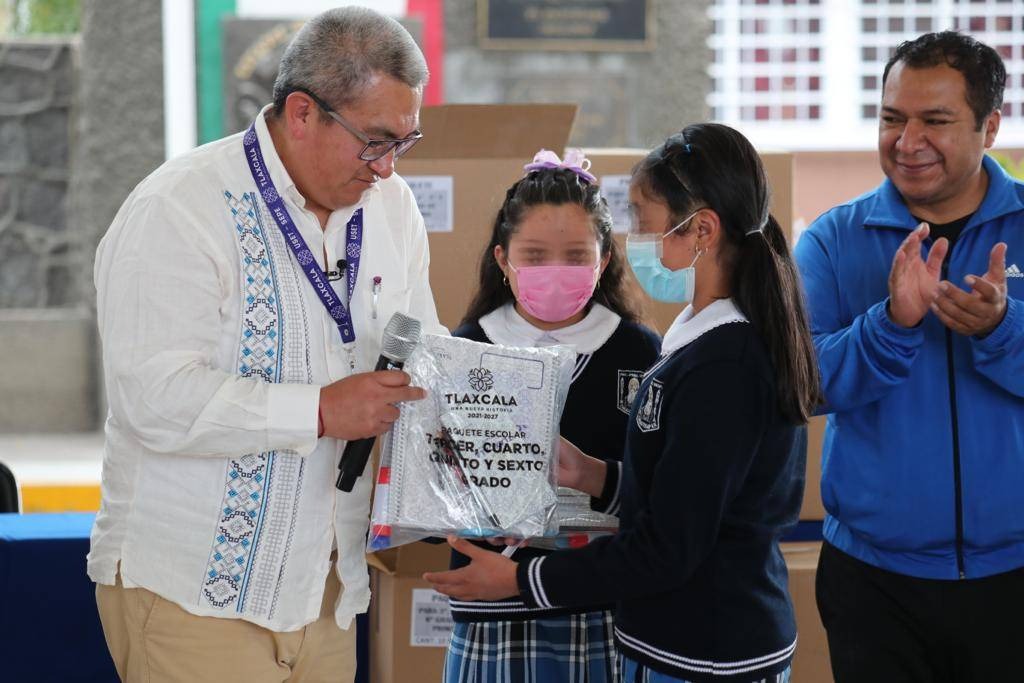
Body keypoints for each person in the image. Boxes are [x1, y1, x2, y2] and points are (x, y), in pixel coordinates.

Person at [89, 7, 443, 681]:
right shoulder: (181, 206)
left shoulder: (392, 209)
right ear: (303, 112)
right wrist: (317, 409)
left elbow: (422, 348)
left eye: (405, 141)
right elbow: (152, 399)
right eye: (374, 142)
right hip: (192, 595)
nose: (389, 168)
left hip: (328, 590)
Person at [426, 124, 821, 683]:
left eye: (643, 221)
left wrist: (522, 582)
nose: (635, 238)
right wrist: (594, 475)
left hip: (704, 648)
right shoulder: (699, 344)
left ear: (701, 229)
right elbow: (676, 498)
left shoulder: (722, 365)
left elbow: (669, 545)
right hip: (673, 636)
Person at [794, 31, 1024, 682]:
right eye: (893, 119)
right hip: (874, 581)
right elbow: (800, 381)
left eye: (935, 120)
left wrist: (1003, 327)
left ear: (991, 126)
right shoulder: (834, 239)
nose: (907, 139)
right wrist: (890, 324)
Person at [442, 149, 661, 682]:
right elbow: (430, 490)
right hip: (493, 607)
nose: (554, 272)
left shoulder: (638, 352)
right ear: (503, 260)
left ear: (604, 259)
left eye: (575, 255)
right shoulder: (464, 349)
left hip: (603, 605)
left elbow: (660, 491)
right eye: (535, 256)